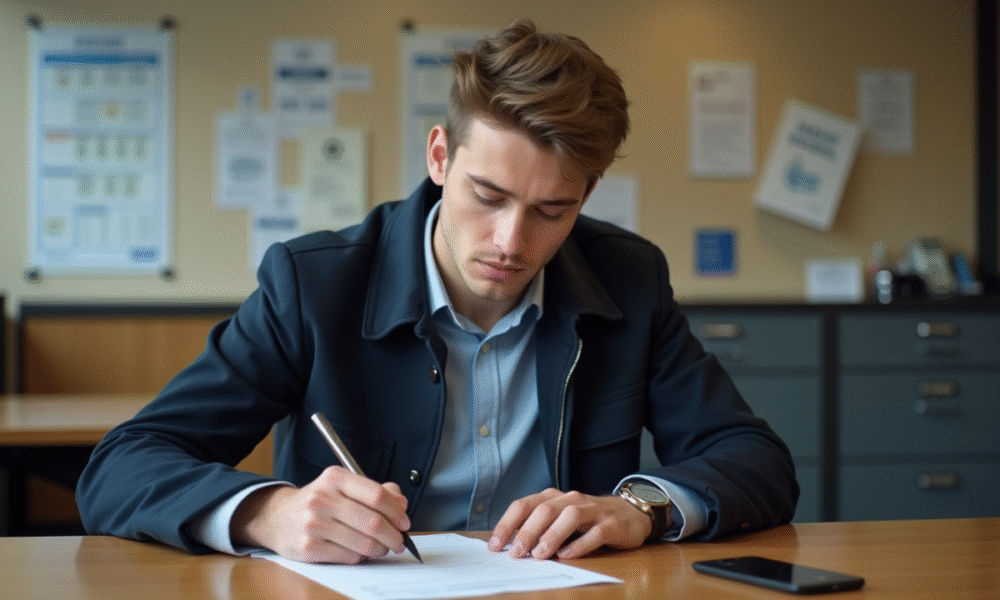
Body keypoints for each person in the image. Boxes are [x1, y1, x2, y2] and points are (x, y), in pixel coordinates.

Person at [77, 18, 797, 565]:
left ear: (588, 194)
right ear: (439, 157)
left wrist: (641, 508)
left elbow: (755, 460)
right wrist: (267, 512)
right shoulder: (315, 284)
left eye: (553, 211)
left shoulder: (629, 279)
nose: (512, 242)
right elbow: (123, 466)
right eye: (488, 195)